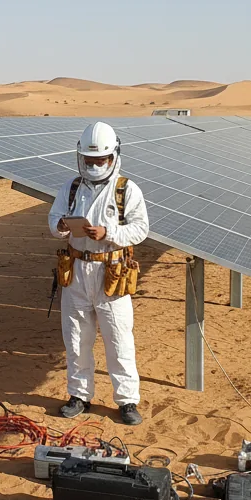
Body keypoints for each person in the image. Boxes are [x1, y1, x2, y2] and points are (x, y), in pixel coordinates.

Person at [48, 121, 150, 426]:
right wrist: (62, 227)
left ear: (113, 157)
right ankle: (79, 395)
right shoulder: (71, 187)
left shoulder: (126, 190)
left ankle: (127, 400)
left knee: (118, 338)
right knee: (76, 337)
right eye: (89, 161)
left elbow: (141, 228)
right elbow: (53, 219)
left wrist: (109, 232)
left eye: (100, 161)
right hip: (76, 271)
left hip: (112, 272)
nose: (94, 166)